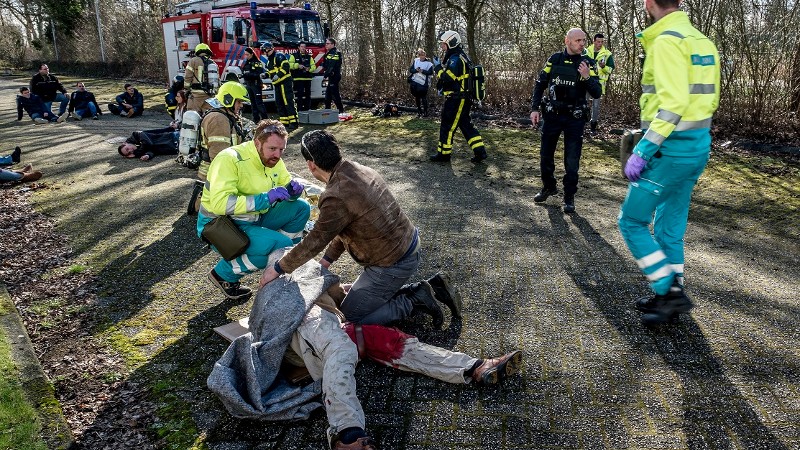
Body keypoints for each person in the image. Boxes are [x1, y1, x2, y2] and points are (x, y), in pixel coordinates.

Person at [210, 248, 523, 450]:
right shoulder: (275, 283)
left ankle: (475, 367)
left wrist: (343, 289)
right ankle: (346, 434)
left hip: (333, 331)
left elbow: (335, 290)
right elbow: (266, 322)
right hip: (304, 335)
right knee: (342, 349)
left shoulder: (308, 273)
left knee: (397, 343)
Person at [259, 130, 461, 329]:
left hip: (393, 263)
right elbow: (344, 226)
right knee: (356, 301)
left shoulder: (336, 196)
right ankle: (433, 287)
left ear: (311, 165)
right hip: (406, 247)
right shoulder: (356, 169)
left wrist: (278, 268)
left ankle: (413, 301)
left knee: (349, 318)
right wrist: (326, 261)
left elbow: (315, 240)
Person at [618, 0, 720, 324]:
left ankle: (668, 291)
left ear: (649, 4)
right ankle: (671, 296)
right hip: (698, 148)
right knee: (669, 226)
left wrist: (643, 150)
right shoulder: (702, 41)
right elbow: (708, 100)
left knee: (632, 221)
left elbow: (673, 104)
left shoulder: (666, 41)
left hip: (668, 151)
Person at [197, 120, 310, 300]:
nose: (277, 155)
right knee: (277, 246)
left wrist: (294, 192)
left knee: (301, 208)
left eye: (282, 150)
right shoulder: (229, 159)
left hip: (253, 217)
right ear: (257, 143)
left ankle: (282, 262)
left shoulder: (273, 161)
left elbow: (285, 185)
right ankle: (224, 274)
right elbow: (221, 204)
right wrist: (264, 199)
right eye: (272, 149)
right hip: (219, 226)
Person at [529, 28, 602, 213]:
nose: (582, 44)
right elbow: (540, 84)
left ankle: (569, 197)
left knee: (571, 160)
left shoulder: (588, 63)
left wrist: (586, 77)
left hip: (574, 119)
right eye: (578, 40)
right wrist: (535, 108)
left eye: (584, 40)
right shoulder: (554, 60)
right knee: (545, 154)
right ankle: (548, 187)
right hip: (552, 115)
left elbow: (597, 92)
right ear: (567, 41)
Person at [188, 82, 251, 216]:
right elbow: (219, 156)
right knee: (212, 206)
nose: (241, 105)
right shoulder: (218, 119)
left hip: (219, 171)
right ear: (228, 99)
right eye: (239, 101)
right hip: (214, 173)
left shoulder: (226, 115)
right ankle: (200, 206)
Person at [430, 30, 487, 164]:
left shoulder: (455, 59)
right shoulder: (461, 56)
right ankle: (480, 152)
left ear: (451, 42)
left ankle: (443, 155)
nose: (442, 47)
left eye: (444, 44)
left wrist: (437, 67)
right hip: (462, 98)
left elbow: (447, 78)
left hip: (457, 99)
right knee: (466, 125)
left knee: (447, 126)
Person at [261, 42, 299, 130]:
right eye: (264, 51)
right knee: (279, 103)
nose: (266, 53)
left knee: (288, 102)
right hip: (277, 84)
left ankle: (293, 122)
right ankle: (284, 122)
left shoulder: (279, 56)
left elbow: (286, 67)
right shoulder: (269, 61)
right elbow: (271, 72)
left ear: (271, 49)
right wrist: (265, 75)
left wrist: (278, 75)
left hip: (285, 82)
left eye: (266, 51)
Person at [584, 33, 615, 134]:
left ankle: (593, 127)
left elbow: (610, 69)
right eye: (598, 42)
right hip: (586, 81)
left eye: (602, 42)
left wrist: (603, 67)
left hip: (599, 84)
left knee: (596, 106)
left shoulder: (607, 54)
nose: (600, 44)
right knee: (584, 103)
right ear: (594, 41)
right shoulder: (586, 51)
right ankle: (582, 125)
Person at [185, 43, 216, 113]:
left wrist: (186, 88)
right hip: (209, 95)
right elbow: (217, 80)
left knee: (193, 116)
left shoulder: (193, 61)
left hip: (196, 95)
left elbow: (188, 76)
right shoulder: (213, 63)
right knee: (208, 115)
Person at [241, 47, 268, 123]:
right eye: (245, 54)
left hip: (256, 84)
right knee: (252, 103)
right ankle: (256, 120)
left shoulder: (257, 62)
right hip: (249, 84)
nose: (246, 56)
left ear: (252, 54)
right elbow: (244, 72)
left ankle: (265, 119)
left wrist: (248, 74)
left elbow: (258, 73)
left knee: (259, 103)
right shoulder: (247, 62)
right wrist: (243, 75)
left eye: (247, 54)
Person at [408, 49, 434, 117]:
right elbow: (411, 70)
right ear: (418, 55)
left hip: (423, 83)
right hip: (415, 82)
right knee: (417, 97)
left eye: (423, 55)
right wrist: (416, 70)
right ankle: (419, 111)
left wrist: (423, 71)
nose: (422, 56)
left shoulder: (429, 64)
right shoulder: (416, 61)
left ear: (425, 55)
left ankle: (425, 112)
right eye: (420, 55)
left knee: (423, 98)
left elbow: (431, 73)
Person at [322, 38, 344, 115]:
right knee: (328, 95)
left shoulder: (334, 53)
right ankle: (327, 110)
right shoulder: (330, 53)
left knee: (335, 94)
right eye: (326, 43)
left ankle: (340, 111)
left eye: (327, 43)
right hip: (331, 76)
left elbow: (331, 66)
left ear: (332, 44)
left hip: (334, 76)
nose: (326, 45)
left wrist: (326, 75)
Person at [291, 43, 317, 112]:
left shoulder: (309, 57)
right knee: (299, 95)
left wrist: (309, 69)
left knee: (308, 95)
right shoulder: (293, 56)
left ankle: (308, 109)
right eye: (301, 47)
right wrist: (297, 65)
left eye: (304, 47)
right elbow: (289, 65)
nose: (303, 48)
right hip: (298, 79)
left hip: (307, 78)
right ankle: (299, 110)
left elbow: (314, 66)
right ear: (298, 47)